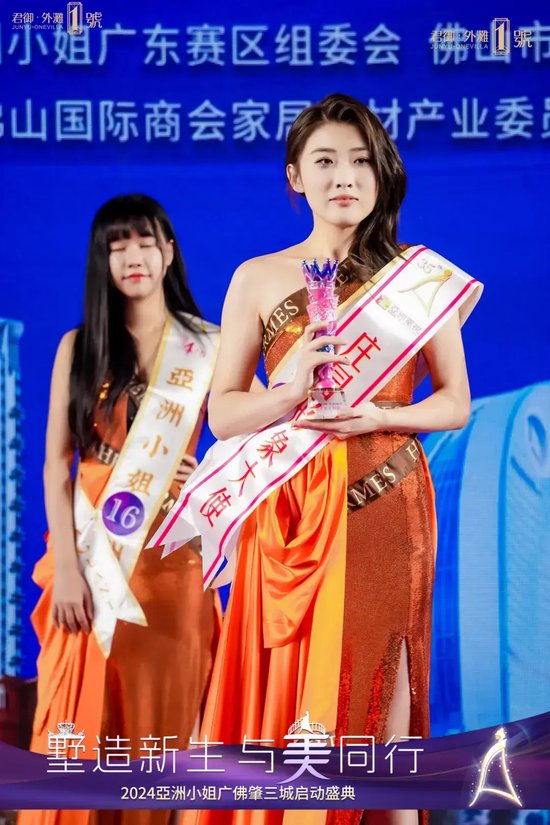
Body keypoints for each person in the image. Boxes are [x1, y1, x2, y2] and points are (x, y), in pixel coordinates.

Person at [169, 94, 482, 825]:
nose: (345, 177)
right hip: (286, 508)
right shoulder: (256, 277)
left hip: (387, 497)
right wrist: (288, 392)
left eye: (362, 161)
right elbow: (224, 414)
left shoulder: (416, 278)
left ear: (382, 174)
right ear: (295, 176)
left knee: (385, 707)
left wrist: (381, 415)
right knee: (290, 704)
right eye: (326, 161)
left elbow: (454, 402)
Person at [19, 194, 221, 825]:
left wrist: (208, 477)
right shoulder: (78, 347)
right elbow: (56, 464)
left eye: (146, 242)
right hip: (90, 561)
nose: (134, 256)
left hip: (175, 568)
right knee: (78, 728)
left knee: (165, 733)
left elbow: (259, 446)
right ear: (101, 260)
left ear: (169, 252)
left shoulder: (208, 346)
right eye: (118, 245)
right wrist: (69, 571)